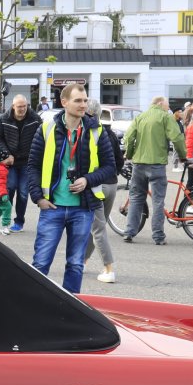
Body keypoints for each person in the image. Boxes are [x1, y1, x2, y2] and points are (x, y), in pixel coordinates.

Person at [25, 83, 116, 293]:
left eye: (85, 100)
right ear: (64, 102)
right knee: (40, 264)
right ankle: (34, 304)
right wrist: (38, 197)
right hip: (52, 207)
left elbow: (110, 167)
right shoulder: (46, 128)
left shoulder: (96, 131)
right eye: (78, 101)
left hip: (83, 208)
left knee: (75, 264)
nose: (83, 105)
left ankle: (70, 306)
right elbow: (33, 166)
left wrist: (87, 180)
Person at [122, 96, 186, 244]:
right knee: (158, 201)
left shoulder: (140, 117)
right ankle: (158, 236)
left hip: (139, 164)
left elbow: (129, 137)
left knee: (136, 198)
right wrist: (183, 156)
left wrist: (130, 154)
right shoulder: (165, 117)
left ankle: (129, 232)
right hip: (157, 164)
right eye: (167, 105)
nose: (168, 109)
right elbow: (177, 138)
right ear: (160, 103)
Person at [83, 97, 123, 283]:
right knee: (97, 227)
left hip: (95, 185)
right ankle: (82, 261)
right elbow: (119, 160)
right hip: (112, 184)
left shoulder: (88, 132)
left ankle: (109, 270)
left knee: (97, 229)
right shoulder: (110, 133)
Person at [0, 96, 42, 231]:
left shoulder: (35, 119)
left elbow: (41, 138)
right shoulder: (4, 119)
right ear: (13, 106)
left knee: (23, 192)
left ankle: (19, 222)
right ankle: (6, 220)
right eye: (19, 106)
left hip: (27, 162)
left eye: (24, 106)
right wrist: (6, 154)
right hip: (10, 161)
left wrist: (35, 155)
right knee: (9, 188)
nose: (22, 109)